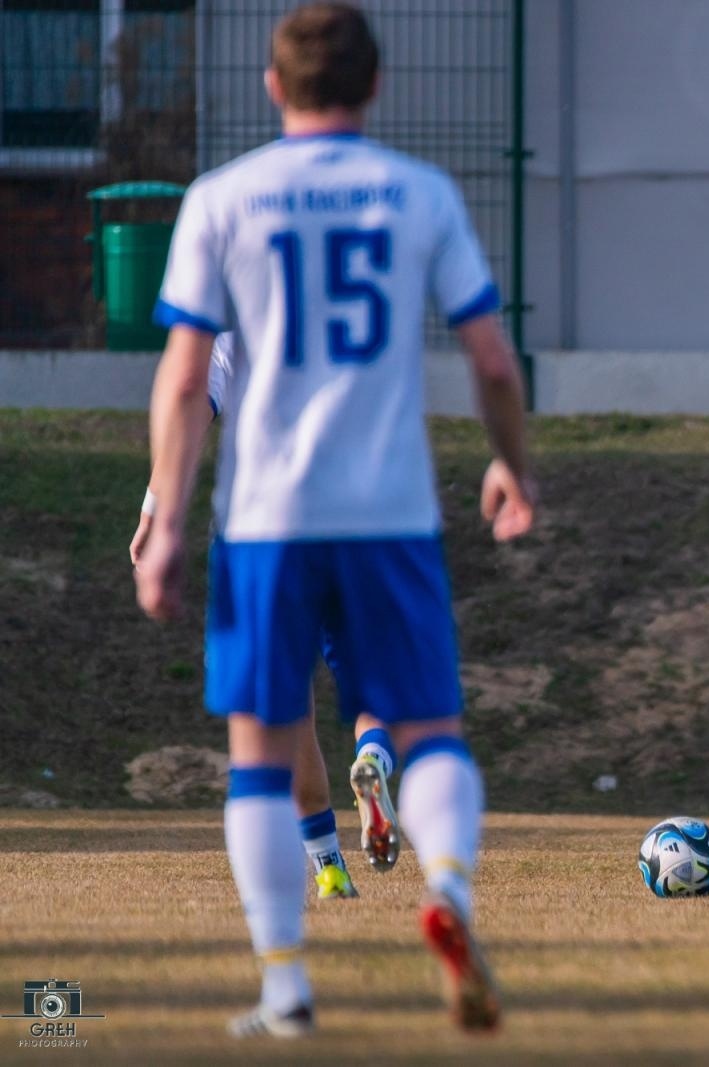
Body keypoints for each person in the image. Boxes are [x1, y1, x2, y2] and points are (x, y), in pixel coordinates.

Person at [135, 2, 536, 1037]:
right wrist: (510, 465)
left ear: (274, 87)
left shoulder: (223, 200)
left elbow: (185, 381)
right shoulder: (418, 193)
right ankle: (445, 891)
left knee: (261, 748)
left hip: (264, 519)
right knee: (430, 727)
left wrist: (164, 512)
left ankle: (285, 988)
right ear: (376, 85)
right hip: (388, 512)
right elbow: (493, 357)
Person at [129, 332, 404, 901]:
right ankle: (373, 759)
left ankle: (328, 869)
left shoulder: (231, 339)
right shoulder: (351, 324)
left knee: (287, 714)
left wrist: (155, 511)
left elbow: (188, 409)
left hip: (256, 533)